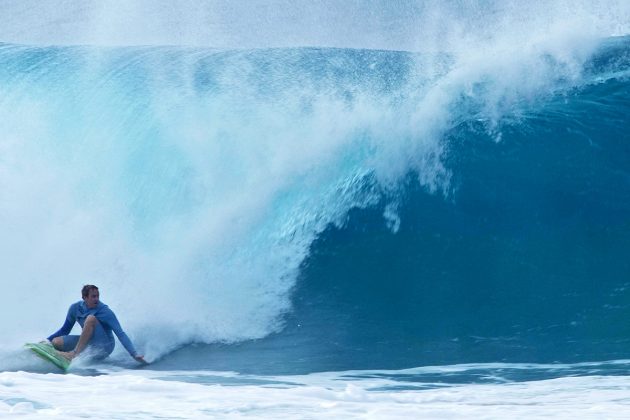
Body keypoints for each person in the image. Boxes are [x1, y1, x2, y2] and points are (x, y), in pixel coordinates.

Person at [47, 284, 146, 363]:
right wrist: (47, 341)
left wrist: (134, 354)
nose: (96, 299)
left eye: (98, 296)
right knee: (56, 342)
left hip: (104, 347)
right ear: (84, 297)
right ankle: (65, 355)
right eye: (93, 296)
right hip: (87, 344)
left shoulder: (105, 311)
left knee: (91, 319)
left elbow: (120, 333)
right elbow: (65, 329)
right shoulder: (75, 308)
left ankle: (74, 354)